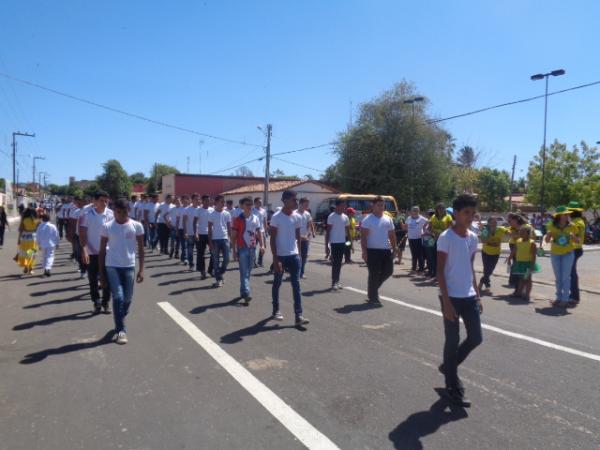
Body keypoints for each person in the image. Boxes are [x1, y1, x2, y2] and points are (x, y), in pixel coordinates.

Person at [437, 194, 482, 408]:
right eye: (466, 213)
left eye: (473, 213)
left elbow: (470, 266)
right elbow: (440, 270)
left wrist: (478, 293)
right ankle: (452, 386)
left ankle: (449, 366)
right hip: (451, 297)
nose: (470, 217)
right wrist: (446, 302)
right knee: (452, 341)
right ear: (455, 213)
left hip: (469, 295)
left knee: (476, 338)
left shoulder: (473, 238)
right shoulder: (446, 237)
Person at [99, 198, 145, 345]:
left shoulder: (136, 226)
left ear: (129, 211)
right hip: (112, 266)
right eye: (118, 212)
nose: (121, 215)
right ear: (114, 212)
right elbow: (101, 252)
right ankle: (121, 330)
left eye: (124, 212)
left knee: (127, 298)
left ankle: (121, 315)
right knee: (118, 297)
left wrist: (142, 269)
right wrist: (102, 274)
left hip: (129, 266)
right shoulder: (107, 226)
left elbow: (141, 249)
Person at [270, 190, 309, 326]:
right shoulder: (276, 217)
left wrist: (298, 253)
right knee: (277, 284)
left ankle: (298, 315)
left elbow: (297, 236)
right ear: (285, 200)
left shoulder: (297, 217)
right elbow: (272, 239)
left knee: (296, 285)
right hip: (281, 256)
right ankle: (276, 310)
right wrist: (276, 260)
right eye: (294, 199)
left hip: (294, 256)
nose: (296, 202)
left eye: (296, 199)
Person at [79, 191, 114, 314]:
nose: (104, 203)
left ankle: (106, 302)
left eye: (106, 201)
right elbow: (82, 234)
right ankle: (96, 302)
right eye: (101, 201)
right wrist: (84, 250)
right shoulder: (87, 215)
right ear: (95, 201)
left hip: (107, 252)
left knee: (107, 279)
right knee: (93, 279)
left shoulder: (111, 214)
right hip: (92, 252)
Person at [360, 196, 397, 305]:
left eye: (383, 205)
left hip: (386, 250)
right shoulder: (367, 219)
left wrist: (394, 249)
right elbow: (363, 237)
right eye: (379, 205)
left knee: (388, 271)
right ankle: (373, 297)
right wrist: (364, 251)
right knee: (374, 274)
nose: (381, 207)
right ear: (373, 206)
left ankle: (373, 289)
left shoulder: (388, 219)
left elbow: (392, 235)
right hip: (372, 251)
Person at [544, 206, 579, 308]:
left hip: (568, 253)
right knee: (558, 277)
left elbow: (578, 241)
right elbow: (546, 241)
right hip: (555, 254)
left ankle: (565, 299)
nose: (567, 216)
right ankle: (558, 298)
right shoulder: (551, 225)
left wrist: (574, 237)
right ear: (559, 216)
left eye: (567, 214)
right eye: (565, 214)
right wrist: (548, 235)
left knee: (565, 277)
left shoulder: (572, 226)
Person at [232, 196, 264, 305]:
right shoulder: (238, 219)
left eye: (251, 204)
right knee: (244, 272)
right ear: (242, 206)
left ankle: (243, 292)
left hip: (252, 248)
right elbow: (233, 236)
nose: (249, 206)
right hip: (242, 248)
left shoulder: (255, 218)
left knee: (248, 271)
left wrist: (262, 245)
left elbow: (259, 232)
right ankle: (246, 293)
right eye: (247, 205)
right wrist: (234, 250)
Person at [508, 225, 539, 301]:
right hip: (519, 263)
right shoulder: (518, 241)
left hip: (528, 264)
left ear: (528, 233)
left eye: (523, 232)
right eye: (520, 232)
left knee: (528, 279)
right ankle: (519, 293)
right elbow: (514, 251)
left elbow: (534, 255)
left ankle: (527, 295)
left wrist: (532, 265)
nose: (521, 233)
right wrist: (509, 258)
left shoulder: (532, 243)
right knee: (521, 279)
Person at [478, 217, 509, 295]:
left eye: (495, 222)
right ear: (488, 223)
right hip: (486, 252)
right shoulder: (486, 230)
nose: (494, 224)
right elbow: (483, 241)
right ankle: (487, 286)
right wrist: (488, 233)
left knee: (490, 270)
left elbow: (509, 233)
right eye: (492, 222)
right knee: (486, 270)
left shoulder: (501, 229)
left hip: (496, 253)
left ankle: (481, 282)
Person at [325, 199, 350, 291]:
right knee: (335, 263)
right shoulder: (331, 216)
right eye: (343, 205)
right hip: (334, 243)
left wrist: (350, 244)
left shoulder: (345, 217)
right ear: (337, 206)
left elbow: (348, 231)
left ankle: (337, 281)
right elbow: (328, 232)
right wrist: (326, 246)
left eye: (345, 205)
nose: (344, 207)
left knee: (339, 263)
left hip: (343, 242)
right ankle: (334, 282)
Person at [208, 195, 232, 288]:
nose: (223, 203)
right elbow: (209, 229)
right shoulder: (212, 214)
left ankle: (220, 273)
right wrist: (210, 242)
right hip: (215, 240)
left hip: (225, 238)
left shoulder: (227, 214)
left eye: (224, 201)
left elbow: (229, 228)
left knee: (227, 259)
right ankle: (218, 279)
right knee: (216, 260)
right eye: (221, 201)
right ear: (216, 202)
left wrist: (231, 240)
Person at [426, 203, 453, 279]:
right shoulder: (433, 217)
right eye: (439, 208)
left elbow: (451, 228)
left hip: (444, 239)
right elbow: (429, 228)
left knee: (442, 257)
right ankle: (434, 272)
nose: (440, 210)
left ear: (444, 209)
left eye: (442, 208)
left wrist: (441, 232)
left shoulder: (448, 216)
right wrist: (432, 233)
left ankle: (442, 274)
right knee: (432, 256)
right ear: (436, 209)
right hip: (433, 238)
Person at [567, 201, 586, 306]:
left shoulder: (577, 222)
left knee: (572, 273)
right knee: (571, 273)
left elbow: (575, 236)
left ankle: (574, 296)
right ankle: (573, 295)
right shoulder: (577, 220)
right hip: (576, 248)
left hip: (575, 248)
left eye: (569, 211)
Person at [193, 194, 214, 277]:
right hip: (201, 234)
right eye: (206, 200)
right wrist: (196, 233)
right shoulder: (198, 210)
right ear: (202, 201)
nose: (207, 202)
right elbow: (195, 222)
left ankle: (210, 269)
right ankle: (202, 270)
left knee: (214, 252)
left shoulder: (212, 210)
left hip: (211, 234)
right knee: (200, 253)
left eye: (209, 200)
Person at [16, 207, 39, 275]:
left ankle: (26, 266)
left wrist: (18, 240)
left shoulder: (24, 220)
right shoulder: (37, 221)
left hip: (24, 239)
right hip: (33, 239)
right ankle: (31, 268)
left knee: (25, 253)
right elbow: (39, 231)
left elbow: (20, 230)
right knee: (31, 254)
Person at [405, 206, 427, 273]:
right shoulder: (408, 218)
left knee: (419, 254)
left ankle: (421, 268)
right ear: (411, 211)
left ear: (418, 211)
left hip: (419, 238)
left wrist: (424, 231)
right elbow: (406, 226)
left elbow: (428, 224)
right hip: (411, 238)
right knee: (413, 254)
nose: (414, 212)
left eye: (416, 210)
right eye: (413, 210)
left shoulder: (422, 219)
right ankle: (414, 267)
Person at [297, 198, 315, 279]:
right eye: (306, 204)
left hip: (305, 239)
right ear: (300, 204)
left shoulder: (307, 214)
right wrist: (300, 236)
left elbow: (309, 224)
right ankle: (295, 271)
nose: (307, 206)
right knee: (297, 256)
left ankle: (301, 272)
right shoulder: (295, 213)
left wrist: (308, 234)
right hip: (296, 239)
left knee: (304, 256)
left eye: (308, 205)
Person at [252, 197, 268, 267]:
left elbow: (265, 220)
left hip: (262, 231)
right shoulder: (252, 210)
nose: (260, 203)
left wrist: (266, 229)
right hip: (254, 231)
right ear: (255, 203)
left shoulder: (263, 211)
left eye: (261, 202)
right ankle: (253, 262)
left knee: (263, 246)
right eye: (259, 202)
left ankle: (260, 261)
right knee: (253, 247)